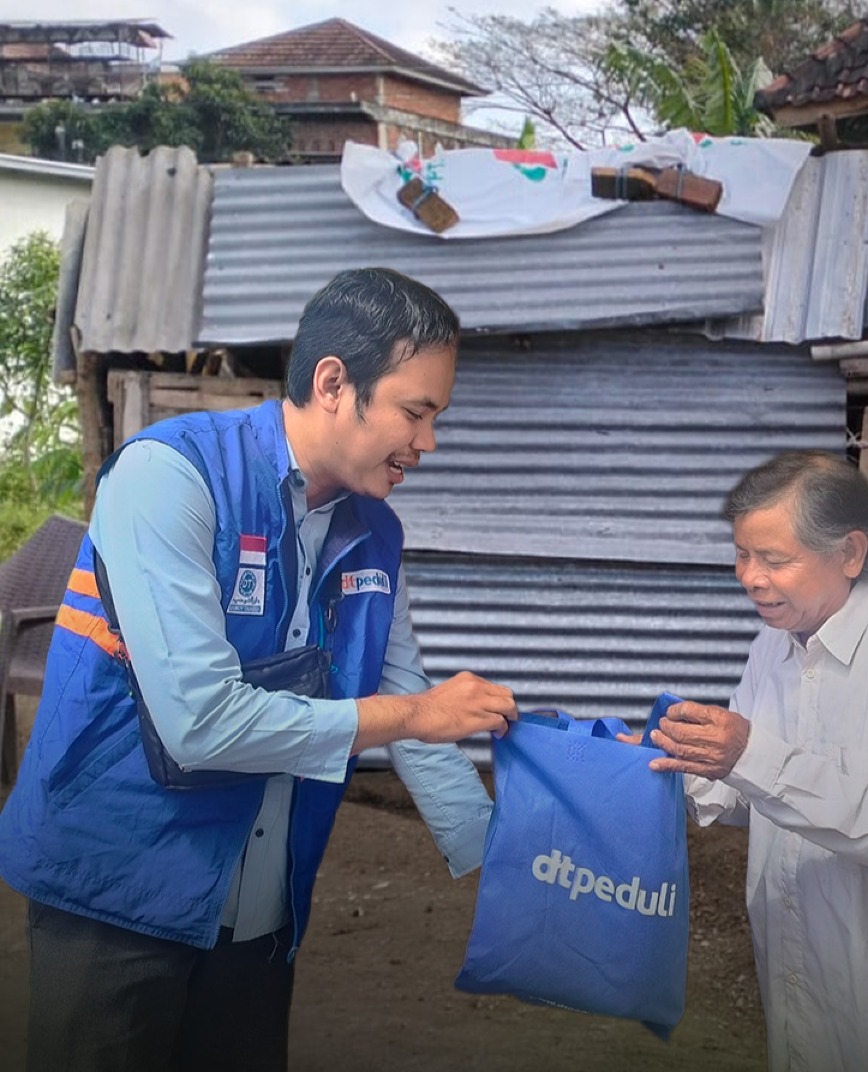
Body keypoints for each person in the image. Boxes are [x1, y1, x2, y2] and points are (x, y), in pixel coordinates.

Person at [0, 267, 519, 1072]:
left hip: (259, 911)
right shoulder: (169, 476)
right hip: (118, 889)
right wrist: (413, 716)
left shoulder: (374, 533)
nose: (428, 443)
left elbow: (404, 693)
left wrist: (513, 860)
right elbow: (200, 723)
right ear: (334, 384)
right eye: (415, 413)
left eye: (435, 419)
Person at [634, 450, 868, 1071]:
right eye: (742, 554)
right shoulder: (773, 645)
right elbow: (745, 785)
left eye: (774, 559)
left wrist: (750, 755)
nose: (749, 578)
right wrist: (666, 762)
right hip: (802, 973)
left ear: (850, 554)